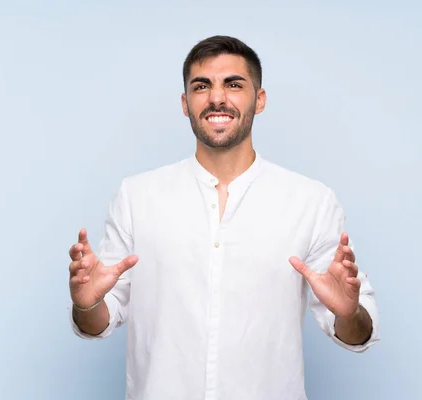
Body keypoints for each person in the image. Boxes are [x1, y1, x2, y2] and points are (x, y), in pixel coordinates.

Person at [68, 35, 380, 400]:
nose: (217, 97)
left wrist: (348, 312)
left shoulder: (311, 201)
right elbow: (96, 322)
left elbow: (359, 332)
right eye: (202, 86)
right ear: (185, 104)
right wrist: (86, 303)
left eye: (233, 84)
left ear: (259, 100)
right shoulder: (136, 196)